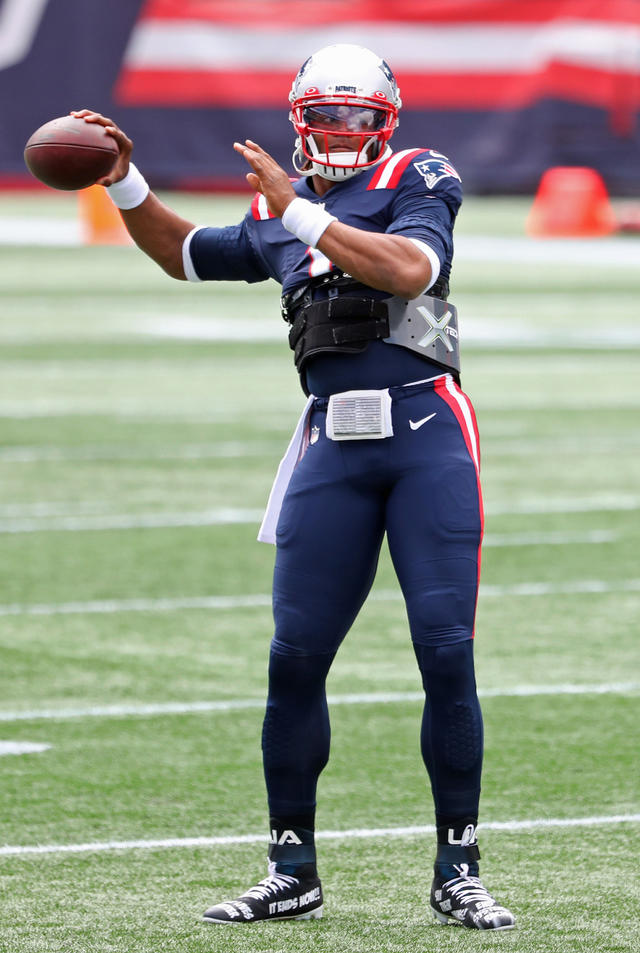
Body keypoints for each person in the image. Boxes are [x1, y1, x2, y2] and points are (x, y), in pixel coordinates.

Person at [74, 42, 515, 931]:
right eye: (329, 116)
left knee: (442, 649)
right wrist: (124, 181)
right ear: (300, 119)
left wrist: (303, 215)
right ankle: (292, 865)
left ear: (384, 123)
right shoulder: (281, 212)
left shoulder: (417, 173)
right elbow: (184, 254)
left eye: (359, 116)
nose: (344, 131)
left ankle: (458, 866)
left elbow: (410, 272)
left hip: (427, 431)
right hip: (332, 447)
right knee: (293, 659)